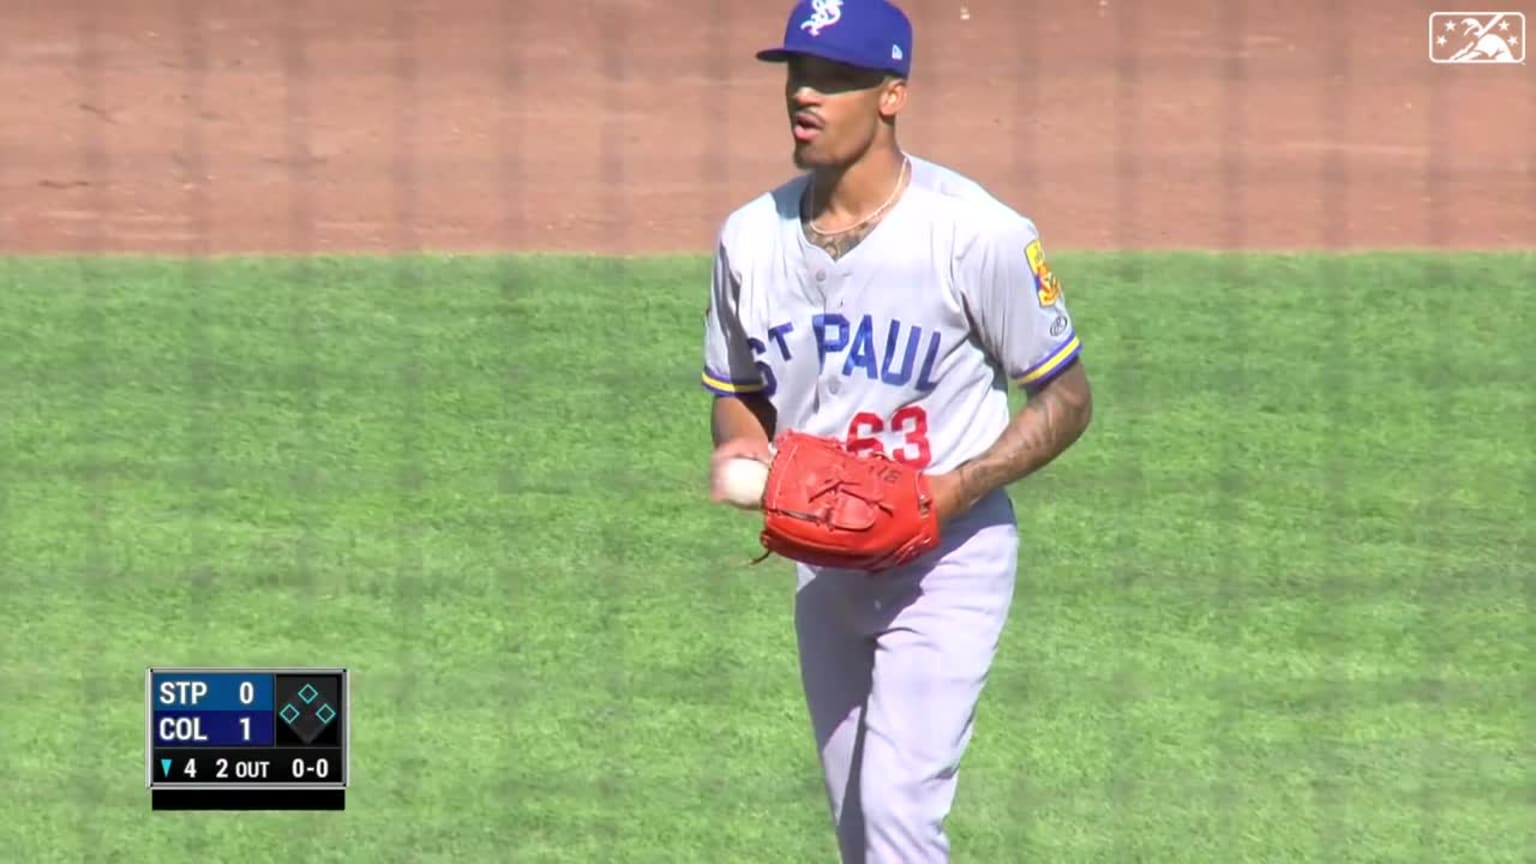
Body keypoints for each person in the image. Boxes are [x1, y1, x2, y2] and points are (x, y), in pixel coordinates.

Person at [699, 0, 1094, 860]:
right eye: (798, 74)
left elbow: (1066, 398)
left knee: (897, 812)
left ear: (892, 94)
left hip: (947, 558)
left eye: (833, 77)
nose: (805, 94)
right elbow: (737, 391)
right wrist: (743, 445)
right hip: (824, 560)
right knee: (857, 825)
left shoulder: (975, 234)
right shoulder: (749, 239)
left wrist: (954, 490)